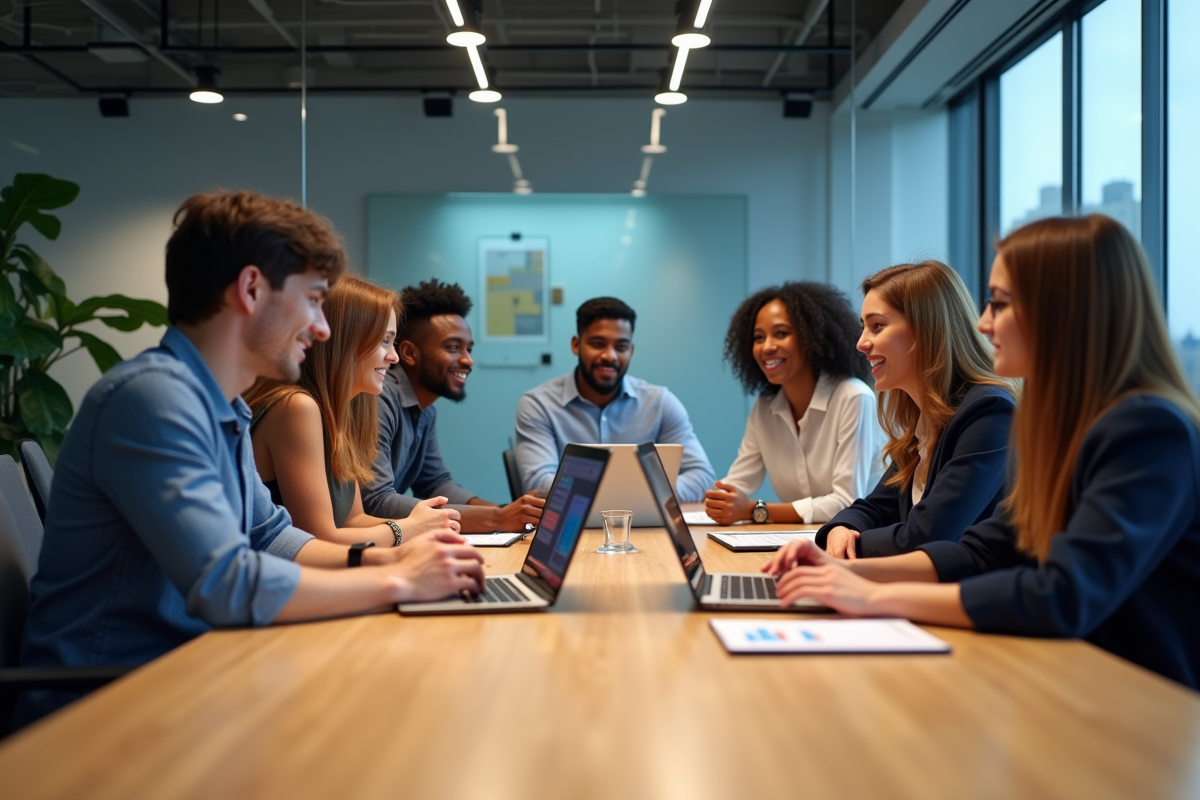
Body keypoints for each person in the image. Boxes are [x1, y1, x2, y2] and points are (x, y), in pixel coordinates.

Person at [14, 192, 484, 728]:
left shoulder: (225, 405)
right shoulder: (152, 399)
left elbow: (271, 538)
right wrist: (398, 583)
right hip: (108, 706)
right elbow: (227, 584)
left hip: (190, 673)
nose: (323, 328)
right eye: (311, 300)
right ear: (251, 290)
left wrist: (387, 560)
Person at [765, 215, 1200, 689]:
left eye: (1000, 304)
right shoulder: (1060, 428)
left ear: (1064, 311)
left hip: (1142, 705)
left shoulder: (1148, 429)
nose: (983, 322)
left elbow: (1061, 595)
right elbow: (983, 551)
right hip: (1073, 683)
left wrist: (872, 595)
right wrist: (838, 571)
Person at [816, 262, 1016, 557]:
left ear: (927, 329)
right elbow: (874, 508)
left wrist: (851, 546)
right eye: (863, 327)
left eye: (877, 326)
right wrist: (840, 530)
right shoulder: (924, 423)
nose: (861, 343)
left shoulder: (990, 412)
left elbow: (929, 535)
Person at [244, 274, 459, 546]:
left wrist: (420, 523)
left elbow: (353, 520)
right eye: (384, 341)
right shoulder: (297, 407)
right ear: (344, 342)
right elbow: (321, 538)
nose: (393, 357)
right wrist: (408, 529)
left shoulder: (343, 409)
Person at [361, 279, 546, 532]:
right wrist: (497, 519)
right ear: (409, 353)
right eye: (452, 347)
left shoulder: (425, 411)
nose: (467, 361)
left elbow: (436, 483)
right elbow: (375, 502)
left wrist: (505, 512)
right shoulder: (379, 400)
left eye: (468, 349)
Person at [704, 282, 884, 525]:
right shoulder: (765, 408)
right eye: (758, 337)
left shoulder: (853, 397)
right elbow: (738, 482)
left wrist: (754, 510)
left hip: (859, 542)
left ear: (812, 339)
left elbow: (846, 502)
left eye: (781, 333)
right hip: (800, 542)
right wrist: (719, 500)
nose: (767, 347)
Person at [514, 297, 715, 502]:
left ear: (631, 350)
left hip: (646, 529)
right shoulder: (538, 405)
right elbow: (537, 482)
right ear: (576, 345)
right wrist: (639, 495)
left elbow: (702, 476)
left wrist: (630, 497)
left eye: (621, 347)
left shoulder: (661, 403)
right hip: (571, 528)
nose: (610, 356)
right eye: (598, 344)